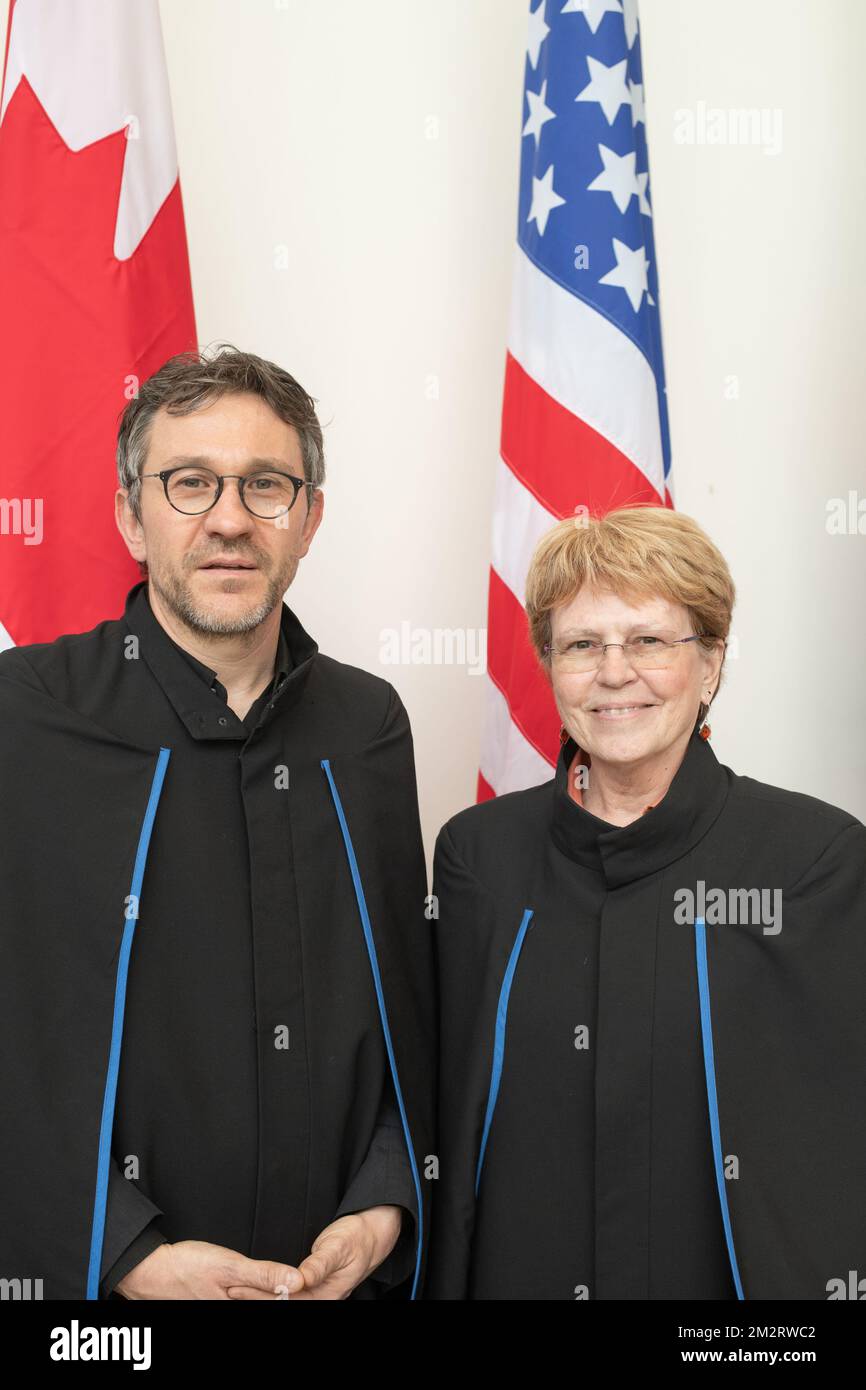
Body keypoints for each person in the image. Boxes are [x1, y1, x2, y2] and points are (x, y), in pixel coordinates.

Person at [0, 345, 433, 1300]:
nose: (230, 520)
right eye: (190, 484)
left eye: (266, 486)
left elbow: (405, 1008)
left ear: (309, 518)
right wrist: (120, 1254)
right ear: (130, 514)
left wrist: (385, 1205)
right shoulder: (23, 717)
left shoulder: (370, 728)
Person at [426, 505, 866, 1300]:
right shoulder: (477, 858)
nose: (614, 672)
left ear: (712, 662)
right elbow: (449, 1124)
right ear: (549, 663)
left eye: (651, 641)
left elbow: (833, 1150)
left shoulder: (814, 860)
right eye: (582, 645)